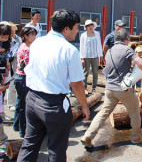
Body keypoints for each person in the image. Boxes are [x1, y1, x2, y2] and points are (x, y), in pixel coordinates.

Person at [17, 9, 90, 162]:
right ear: (66, 29)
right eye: (76, 27)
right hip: (53, 104)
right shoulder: (70, 50)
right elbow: (76, 84)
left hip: (32, 99)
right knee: (56, 148)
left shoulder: (37, 43)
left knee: (29, 144)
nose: (77, 31)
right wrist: (84, 105)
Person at [81, 28, 142, 148]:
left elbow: (107, 70)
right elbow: (140, 63)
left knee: (103, 113)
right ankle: (137, 137)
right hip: (123, 89)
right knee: (134, 112)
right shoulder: (127, 49)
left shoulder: (109, 51)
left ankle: (88, 135)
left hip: (109, 89)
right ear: (126, 39)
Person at [12, 27, 37, 138]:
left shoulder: (25, 46)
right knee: (24, 106)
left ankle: (16, 126)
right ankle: (23, 131)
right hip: (23, 78)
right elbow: (28, 66)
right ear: (25, 36)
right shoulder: (26, 48)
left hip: (20, 78)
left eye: (34, 35)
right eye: (31, 35)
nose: (34, 37)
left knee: (20, 104)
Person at [80, 19, 103, 94]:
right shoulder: (83, 35)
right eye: (89, 26)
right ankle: (84, 88)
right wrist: (82, 58)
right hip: (86, 56)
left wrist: (100, 55)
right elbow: (81, 47)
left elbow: (99, 45)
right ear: (86, 27)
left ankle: (94, 88)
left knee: (95, 72)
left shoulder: (97, 34)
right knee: (85, 72)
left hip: (95, 55)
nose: (90, 27)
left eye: (91, 25)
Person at [6, 22, 22, 111]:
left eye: (13, 29)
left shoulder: (18, 38)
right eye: (11, 30)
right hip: (10, 63)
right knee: (11, 83)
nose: (12, 31)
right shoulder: (7, 39)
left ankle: (15, 101)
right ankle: (11, 103)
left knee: (16, 83)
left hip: (18, 63)